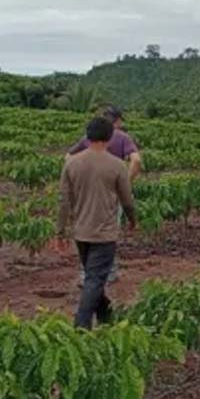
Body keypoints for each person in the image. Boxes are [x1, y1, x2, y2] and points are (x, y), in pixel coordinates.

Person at [57, 116, 137, 329]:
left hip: (81, 233)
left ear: (87, 136)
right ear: (109, 138)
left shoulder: (71, 163)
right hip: (104, 234)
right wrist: (133, 220)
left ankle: (106, 316)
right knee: (94, 280)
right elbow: (127, 200)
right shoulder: (118, 165)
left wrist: (60, 231)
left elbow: (64, 201)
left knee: (94, 277)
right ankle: (81, 326)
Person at [66, 106, 141, 284]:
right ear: (118, 121)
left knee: (85, 230)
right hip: (111, 194)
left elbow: (68, 157)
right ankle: (109, 273)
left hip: (87, 193)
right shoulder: (122, 137)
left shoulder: (89, 139)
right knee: (109, 232)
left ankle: (86, 274)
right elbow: (137, 160)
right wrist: (125, 182)